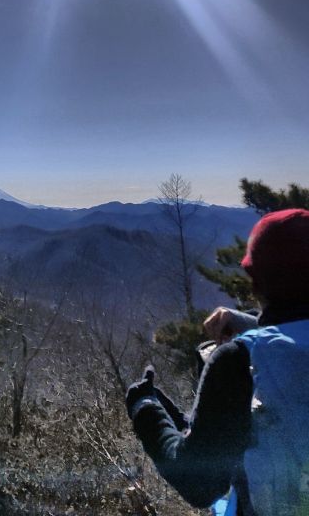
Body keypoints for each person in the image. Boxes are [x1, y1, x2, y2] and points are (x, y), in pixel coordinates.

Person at [125, 208, 309, 516]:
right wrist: (251, 323)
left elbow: (200, 483)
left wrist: (144, 408)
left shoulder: (240, 361)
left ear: (257, 285)